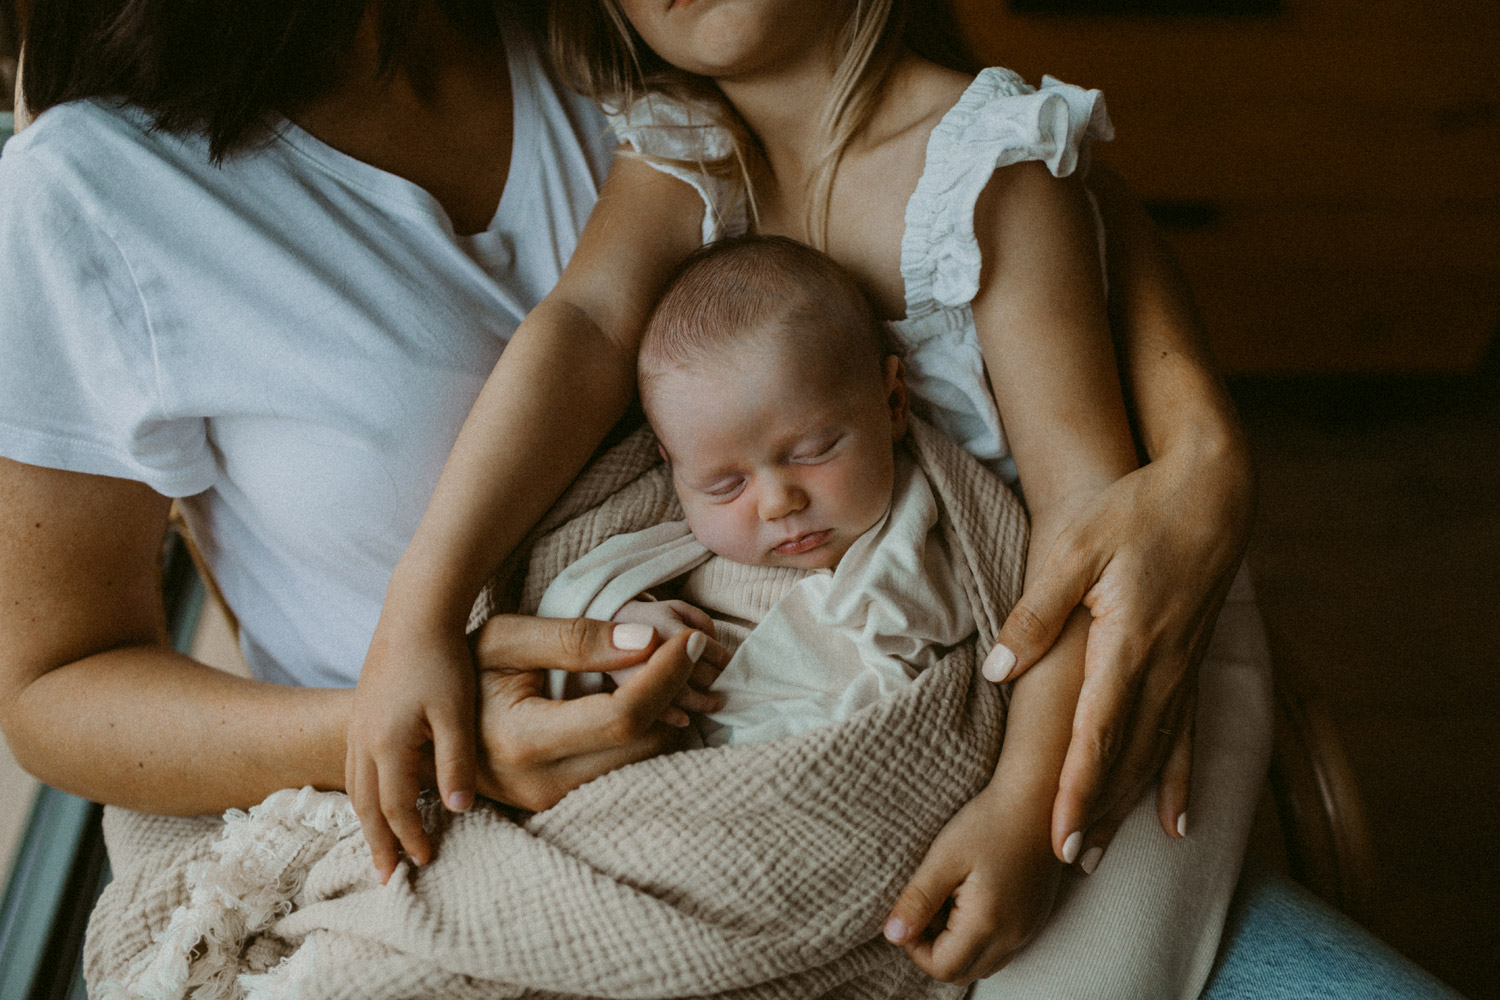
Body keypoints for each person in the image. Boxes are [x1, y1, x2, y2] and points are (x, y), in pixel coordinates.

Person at [9, 3, 1458, 998]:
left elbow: (1011, 188)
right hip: (489, 816)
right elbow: (52, 683)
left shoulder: (618, 37)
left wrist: (1207, 451)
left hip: (915, 703)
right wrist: (394, 686)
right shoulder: (84, 196)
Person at [539, 235, 971, 750]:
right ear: (674, 473)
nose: (776, 503)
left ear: (894, 403)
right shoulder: (679, 560)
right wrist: (625, 634)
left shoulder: (915, 526)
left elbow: (950, 645)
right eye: (724, 485)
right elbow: (571, 605)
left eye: (813, 452)